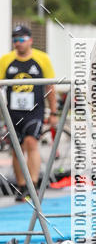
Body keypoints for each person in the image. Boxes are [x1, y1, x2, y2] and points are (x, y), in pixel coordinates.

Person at [0, 24, 57, 202]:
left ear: (30, 40)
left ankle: (33, 184)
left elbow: (50, 86)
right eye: (15, 40)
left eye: (22, 39)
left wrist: (53, 111)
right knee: (17, 150)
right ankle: (22, 185)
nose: (18, 43)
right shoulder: (6, 60)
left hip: (35, 111)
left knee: (31, 143)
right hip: (13, 112)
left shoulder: (42, 59)